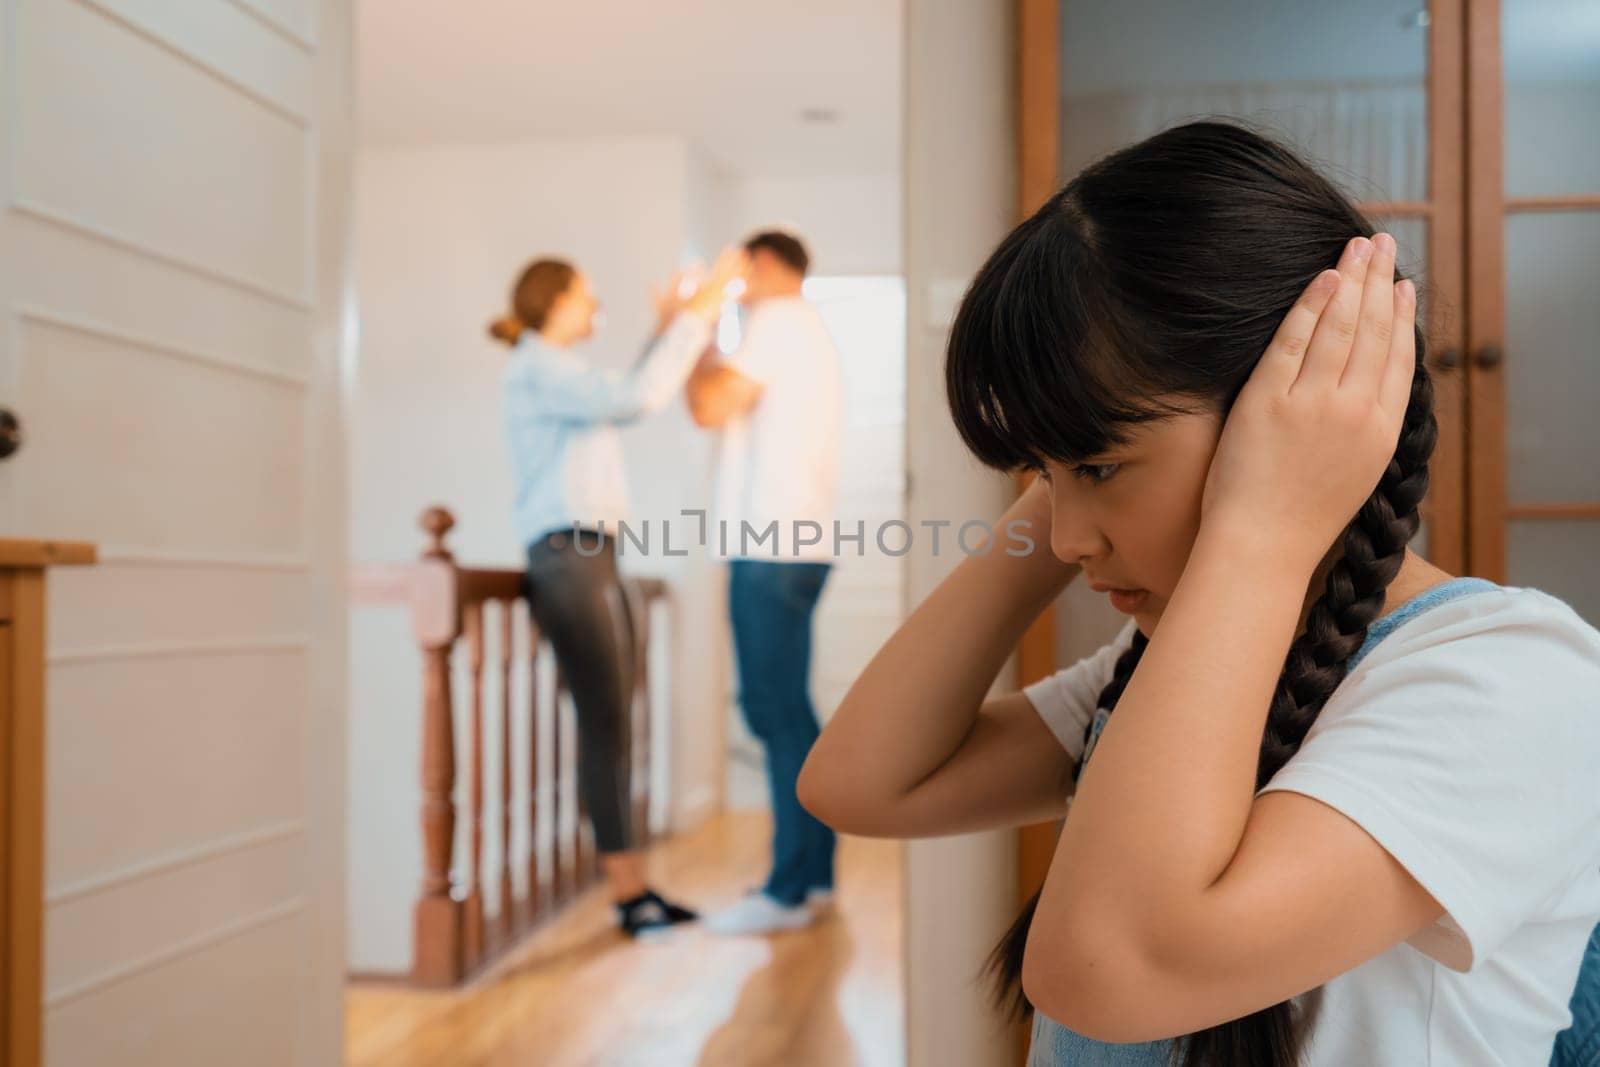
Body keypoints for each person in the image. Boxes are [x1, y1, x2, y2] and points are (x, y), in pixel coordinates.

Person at [797, 122, 1600, 1065]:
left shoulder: (1508, 678)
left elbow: (1111, 967)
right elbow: (861, 782)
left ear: (1291, 405)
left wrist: (1263, 526)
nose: (1063, 539)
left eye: (1098, 465)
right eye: (1038, 475)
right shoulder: (1165, 673)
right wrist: (1073, 476)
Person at [493, 247, 747, 939]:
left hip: (593, 556)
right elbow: (635, 396)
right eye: (588, 296)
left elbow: (623, 384)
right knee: (606, 720)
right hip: (569, 558)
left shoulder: (558, 371)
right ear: (554, 300)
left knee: (615, 720)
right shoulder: (539, 365)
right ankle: (628, 894)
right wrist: (695, 318)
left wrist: (671, 328)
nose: (597, 308)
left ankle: (633, 887)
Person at [685, 230, 844, 935]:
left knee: (772, 711)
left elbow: (709, 407)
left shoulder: (777, 322)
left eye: (739, 268)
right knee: (790, 711)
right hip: (799, 543)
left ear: (764, 264)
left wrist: (689, 320)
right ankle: (812, 874)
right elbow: (729, 397)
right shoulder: (804, 330)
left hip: (770, 545)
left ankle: (785, 888)